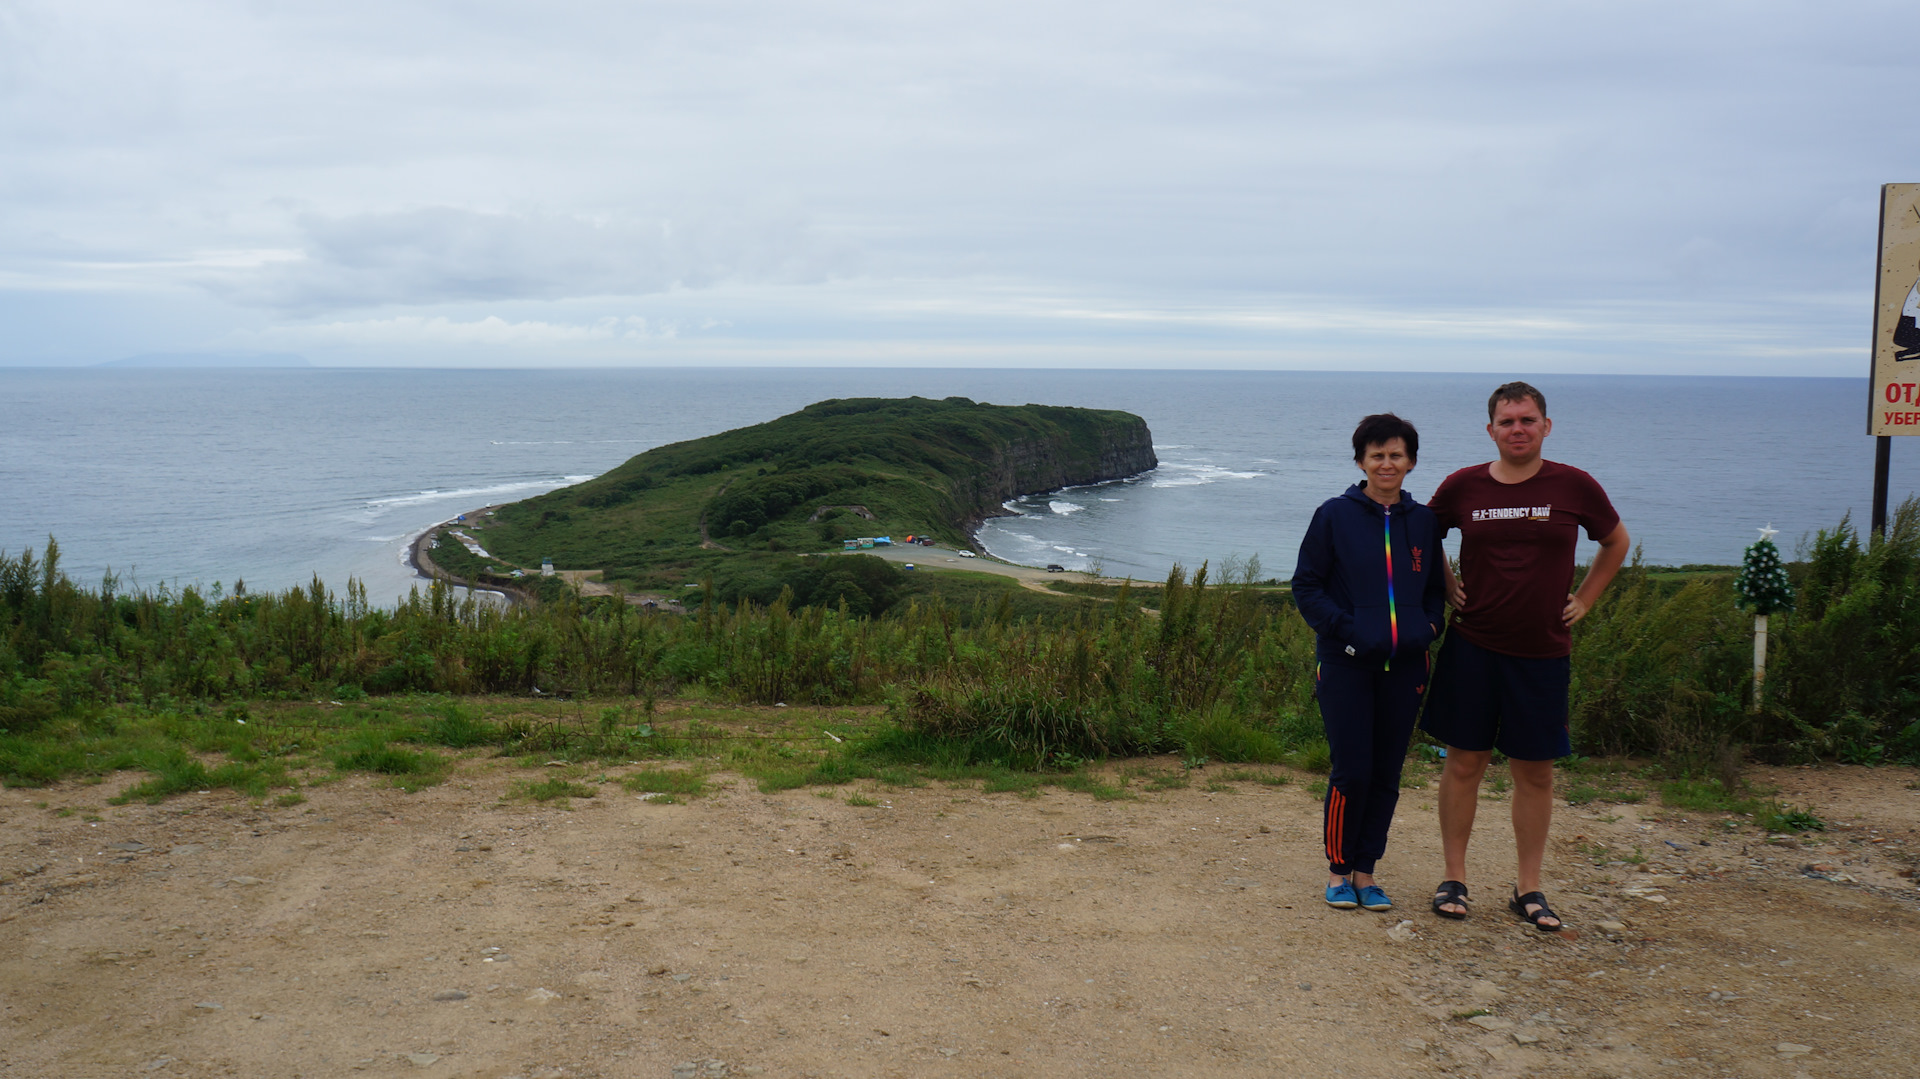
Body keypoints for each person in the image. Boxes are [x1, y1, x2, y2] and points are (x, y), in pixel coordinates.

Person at [1422, 382, 1629, 931]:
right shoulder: (1462, 486)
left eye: (1528, 420)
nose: (1518, 429)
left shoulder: (1574, 485)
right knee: (1464, 763)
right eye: (1508, 421)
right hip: (1473, 646)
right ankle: (1454, 878)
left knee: (1535, 774)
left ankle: (1529, 888)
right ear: (1490, 429)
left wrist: (1585, 598)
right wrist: (1447, 582)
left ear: (1546, 426)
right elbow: (1423, 533)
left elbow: (1616, 542)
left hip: (1541, 653)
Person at [1291, 413, 1448, 912]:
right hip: (1346, 665)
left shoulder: (1423, 522)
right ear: (1361, 460)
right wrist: (1348, 631)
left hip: (1406, 668)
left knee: (1386, 774)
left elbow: (1434, 594)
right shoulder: (1333, 514)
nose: (1387, 463)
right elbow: (1307, 587)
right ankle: (1339, 870)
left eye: (1396, 455)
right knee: (1352, 770)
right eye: (1377, 454)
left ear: (1411, 462)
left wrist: (1428, 630)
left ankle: (1367, 872)